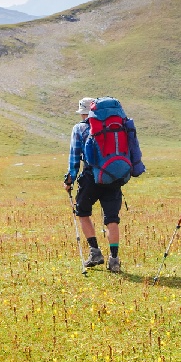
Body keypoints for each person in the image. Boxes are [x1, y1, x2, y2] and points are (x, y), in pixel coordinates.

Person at [65, 96, 144, 273]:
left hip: (90, 179)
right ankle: (114, 259)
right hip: (112, 178)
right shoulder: (115, 127)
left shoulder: (79, 129)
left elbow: (74, 158)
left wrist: (69, 179)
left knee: (83, 212)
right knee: (112, 219)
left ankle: (95, 252)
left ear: (84, 113)